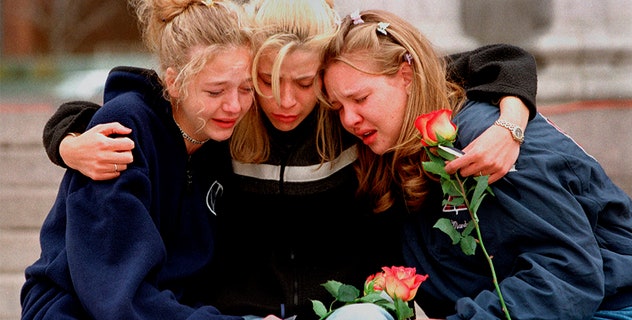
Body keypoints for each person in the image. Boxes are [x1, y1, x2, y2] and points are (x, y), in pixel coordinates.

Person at [39, 0, 540, 318]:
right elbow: (137, 107)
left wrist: (510, 123)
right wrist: (67, 139)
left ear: (326, 71)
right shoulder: (225, 117)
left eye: (304, 83)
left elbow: (497, 61)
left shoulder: (343, 108)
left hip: (348, 307)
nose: (284, 101)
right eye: (265, 82)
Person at [321, 9, 632, 320]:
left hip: (613, 306)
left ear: (406, 76)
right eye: (337, 107)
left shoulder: (482, 141)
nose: (349, 119)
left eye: (360, 99)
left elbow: (568, 273)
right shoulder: (394, 155)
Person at [20, 0, 255, 319]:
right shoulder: (126, 129)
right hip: (75, 306)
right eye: (215, 92)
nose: (234, 105)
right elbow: (115, 294)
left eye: (246, 88)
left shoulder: (219, 140)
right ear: (174, 83)